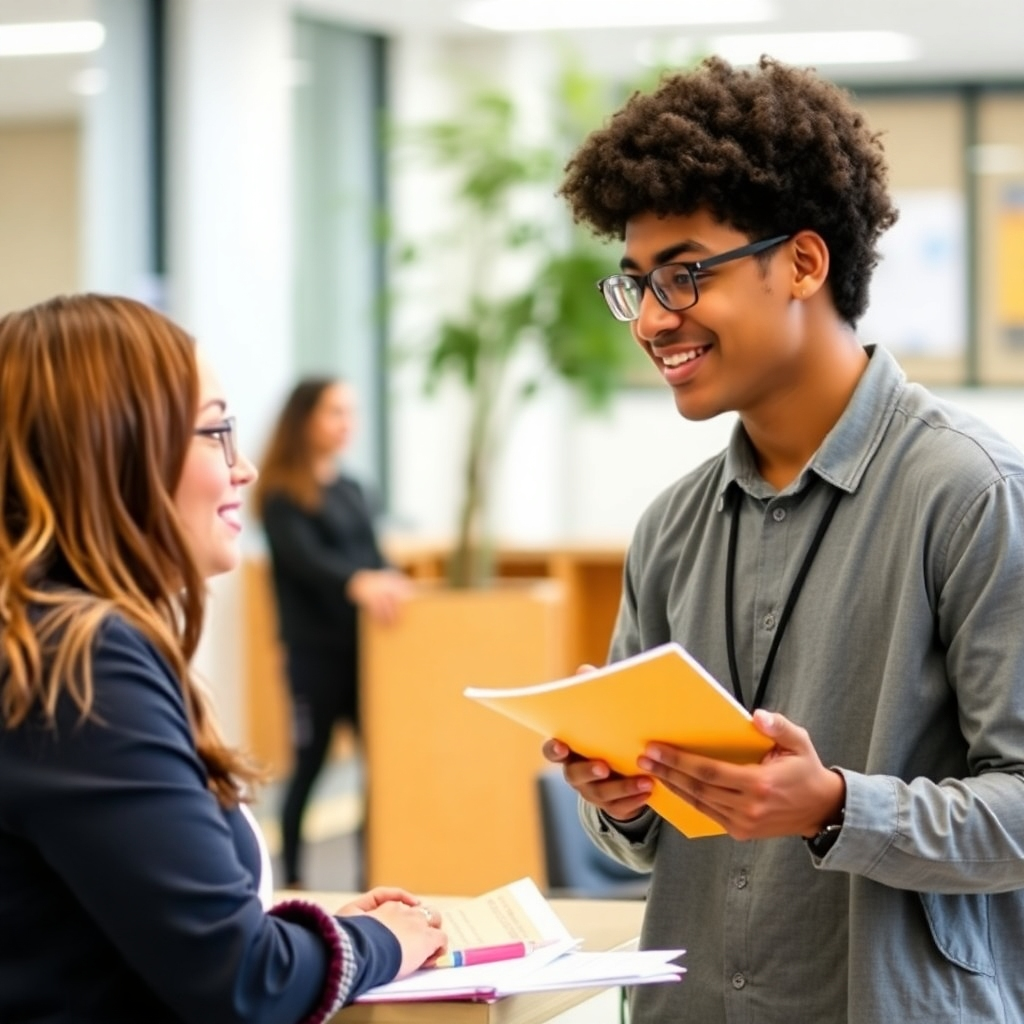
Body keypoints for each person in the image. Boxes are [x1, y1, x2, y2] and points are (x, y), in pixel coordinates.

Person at [543, 56, 1024, 1024]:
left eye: (684, 274)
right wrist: (624, 795)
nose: (651, 319)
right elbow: (639, 839)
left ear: (803, 263)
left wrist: (839, 805)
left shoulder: (969, 492)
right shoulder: (672, 526)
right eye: (635, 283)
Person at [0, 294, 445, 1023]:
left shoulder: (43, 638)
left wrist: (317, 935)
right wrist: (379, 941)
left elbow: (110, 928)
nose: (242, 469)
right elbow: (248, 985)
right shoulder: (81, 663)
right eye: (214, 432)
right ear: (112, 453)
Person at [254, 377, 409, 888]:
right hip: (313, 656)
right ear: (305, 420)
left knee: (382, 769)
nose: (347, 424)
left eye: (351, 412)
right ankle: (293, 876)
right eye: (335, 412)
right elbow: (307, 562)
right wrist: (357, 581)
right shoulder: (282, 493)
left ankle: (374, 872)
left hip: (366, 655)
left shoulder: (353, 489)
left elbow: (373, 556)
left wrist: (388, 579)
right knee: (309, 765)